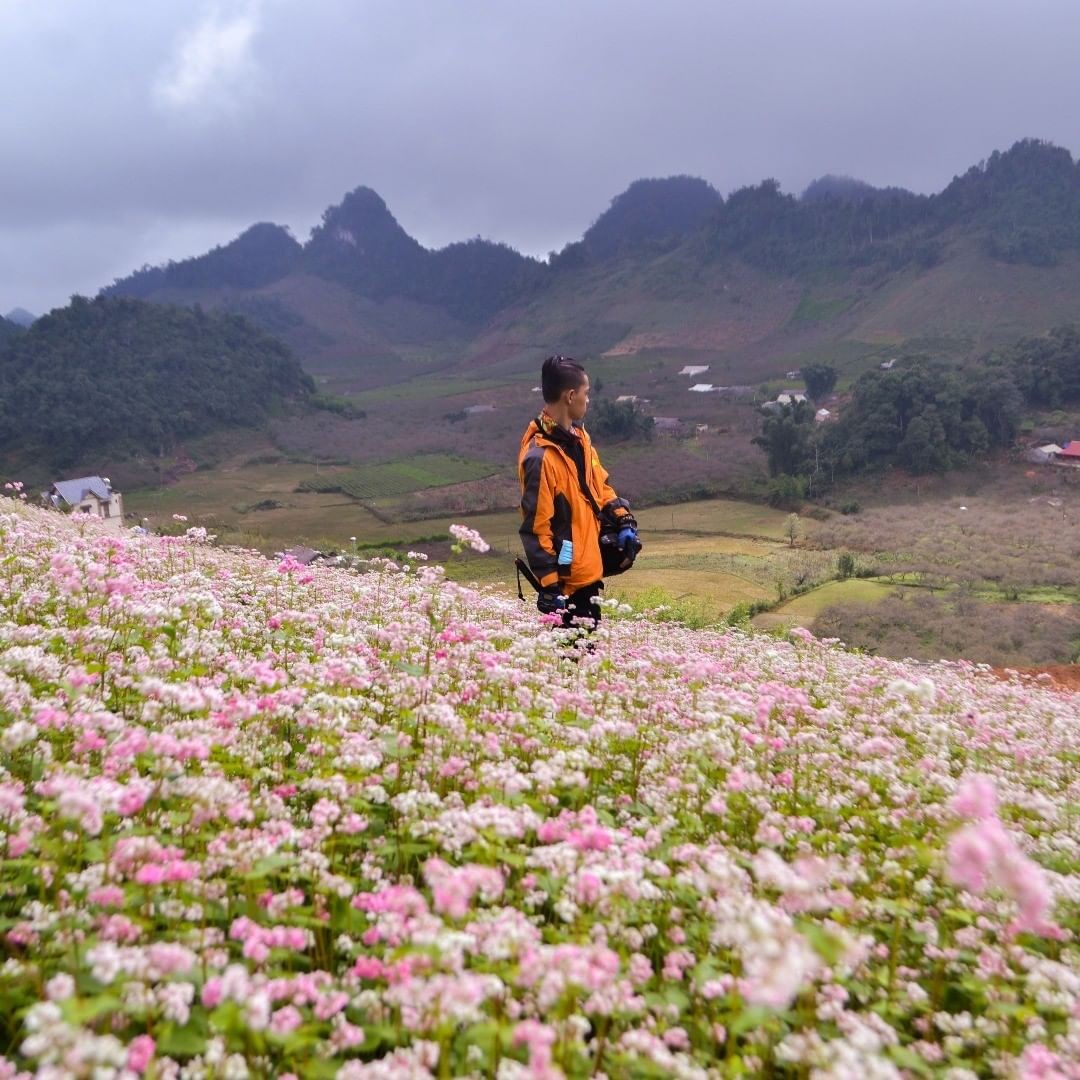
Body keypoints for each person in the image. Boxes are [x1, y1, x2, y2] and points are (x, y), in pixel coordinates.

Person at [518, 355, 640, 630]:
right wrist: (550, 586)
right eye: (586, 393)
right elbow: (536, 528)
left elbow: (600, 487)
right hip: (567, 584)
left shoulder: (580, 439)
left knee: (584, 660)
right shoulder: (540, 457)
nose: (588, 400)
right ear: (571, 396)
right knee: (571, 664)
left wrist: (624, 520)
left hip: (588, 572)